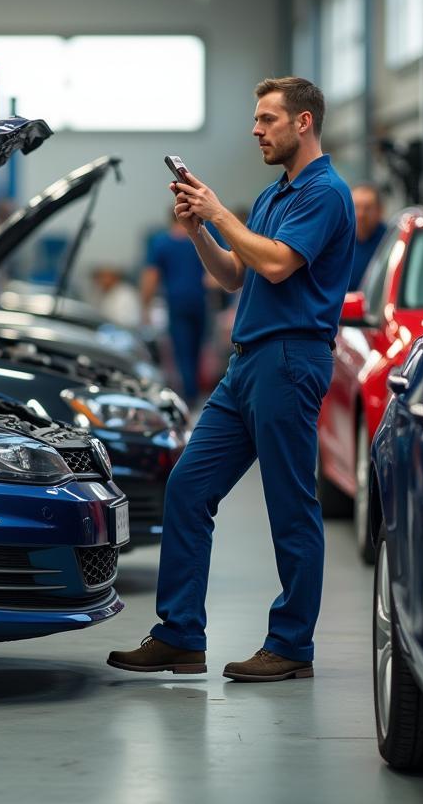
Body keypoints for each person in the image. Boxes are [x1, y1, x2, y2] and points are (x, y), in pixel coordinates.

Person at [108, 76, 355, 682]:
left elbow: (275, 264)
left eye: (267, 119)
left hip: (289, 360)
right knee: (188, 488)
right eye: (256, 119)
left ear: (302, 123)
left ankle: (292, 645)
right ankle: (180, 634)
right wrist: (199, 228)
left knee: (290, 506)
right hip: (246, 364)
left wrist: (219, 210)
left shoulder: (325, 194)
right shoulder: (274, 196)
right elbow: (233, 275)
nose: (255, 129)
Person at [141, 209, 209, 402]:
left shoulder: (161, 242)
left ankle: (190, 397)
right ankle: (195, 393)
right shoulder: (202, 237)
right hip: (199, 300)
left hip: (177, 302)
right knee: (197, 350)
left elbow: (151, 277)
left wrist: (145, 306)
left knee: (183, 353)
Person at [349, 182, 385, 288]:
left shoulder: (389, 240)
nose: (361, 214)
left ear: (380, 211)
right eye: (356, 207)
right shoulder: (336, 241)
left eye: (367, 208)